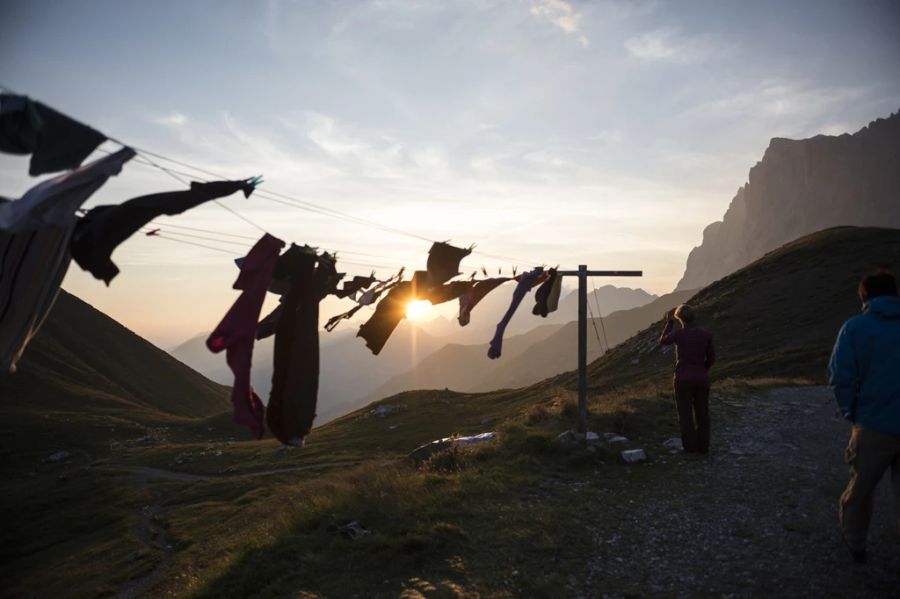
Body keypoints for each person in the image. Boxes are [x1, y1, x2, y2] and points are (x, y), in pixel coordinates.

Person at [828, 269, 900, 565]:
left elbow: (840, 376)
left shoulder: (855, 328)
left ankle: (856, 544)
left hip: (872, 423)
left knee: (862, 487)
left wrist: (851, 411)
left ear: (864, 295)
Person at [659, 304, 715, 454]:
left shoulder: (678, 334)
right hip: (701, 378)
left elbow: (663, 340)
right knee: (702, 413)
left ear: (680, 318)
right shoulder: (706, 335)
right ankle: (704, 447)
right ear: (694, 317)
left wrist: (669, 323)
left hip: (683, 378)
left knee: (685, 414)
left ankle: (690, 448)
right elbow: (711, 358)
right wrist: (703, 369)